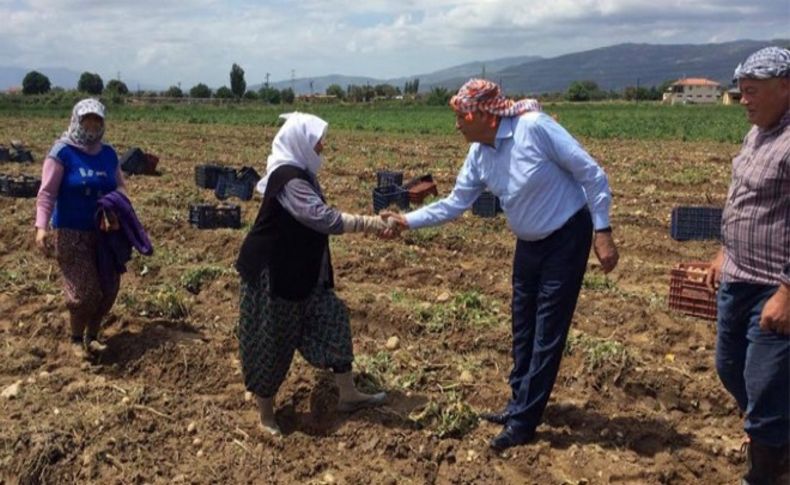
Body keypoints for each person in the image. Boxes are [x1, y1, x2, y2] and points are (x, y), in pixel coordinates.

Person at [383, 79, 619, 451]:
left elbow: (591, 173)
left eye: (461, 116)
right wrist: (407, 221)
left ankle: (524, 421)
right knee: (522, 325)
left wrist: (602, 230)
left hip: (567, 236)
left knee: (547, 330)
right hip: (528, 243)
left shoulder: (535, 129)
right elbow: (455, 202)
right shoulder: (479, 153)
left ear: (485, 116)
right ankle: (517, 404)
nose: (457, 124)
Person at [235, 112, 389, 436]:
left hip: (303, 270)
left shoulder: (303, 174)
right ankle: (265, 414)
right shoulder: (288, 178)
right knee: (272, 340)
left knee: (332, 316)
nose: (322, 146)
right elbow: (321, 218)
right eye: (317, 141)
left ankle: (347, 394)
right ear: (300, 141)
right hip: (272, 273)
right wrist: (371, 223)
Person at [704, 46, 790, 484]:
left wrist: (788, 292)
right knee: (728, 366)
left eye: (752, 92)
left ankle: (765, 472)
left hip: (774, 288)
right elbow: (743, 198)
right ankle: (776, 434)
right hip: (738, 277)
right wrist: (724, 250)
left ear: (785, 87)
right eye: (741, 93)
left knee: (763, 385)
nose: (744, 101)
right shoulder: (757, 132)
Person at [35, 98, 128, 359]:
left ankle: (94, 336)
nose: (92, 125)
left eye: (97, 120)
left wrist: (117, 205)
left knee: (108, 288)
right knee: (85, 291)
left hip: (104, 233)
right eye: (87, 119)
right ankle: (76, 339)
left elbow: (120, 186)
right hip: (71, 232)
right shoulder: (62, 152)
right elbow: (47, 193)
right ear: (77, 120)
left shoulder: (108, 153)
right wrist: (41, 227)